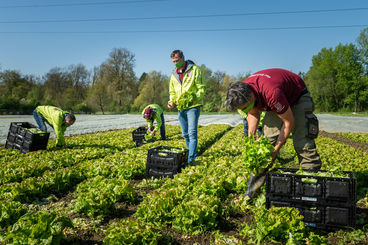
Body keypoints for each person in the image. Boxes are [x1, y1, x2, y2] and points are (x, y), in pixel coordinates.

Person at [225, 68, 321, 198]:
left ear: (251, 96)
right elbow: (253, 113)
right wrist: (251, 140)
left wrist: (276, 150)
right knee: (266, 145)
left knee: (302, 142)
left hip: (297, 97)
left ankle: (311, 188)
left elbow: (289, 122)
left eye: (246, 107)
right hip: (276, 97)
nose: (246, 111)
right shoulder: (244, 91)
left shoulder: (271, 94)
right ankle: (252, 192)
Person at [168, 50, 206, 164]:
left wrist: (194, 97)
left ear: (183, 58)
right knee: (184, 133)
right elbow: (172, 92)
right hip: (181, 107)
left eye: (177, 60)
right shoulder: (173, 74)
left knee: (192, 132)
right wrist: (171, 101)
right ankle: (191, 152)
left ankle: (191, 159)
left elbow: (201, 88)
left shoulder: (194, 70)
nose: (175, 63)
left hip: (193, 106)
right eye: (173, 61)